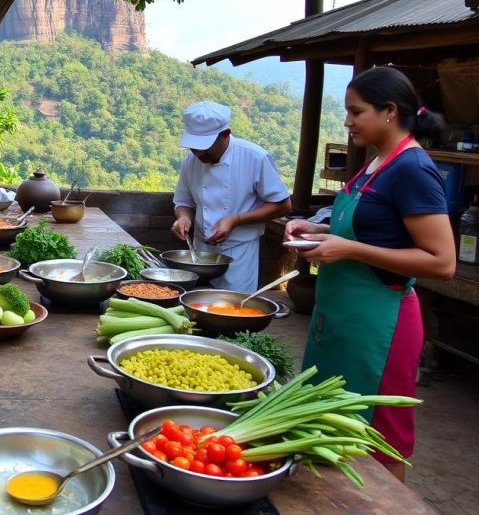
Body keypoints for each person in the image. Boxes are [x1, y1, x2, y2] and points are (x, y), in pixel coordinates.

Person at [286, 66, 456, 482]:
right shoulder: (375, 163)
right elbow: (370, 228)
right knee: (330, 426)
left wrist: (348, 249)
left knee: (379, 439)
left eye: (355, 111)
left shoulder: (413, 169)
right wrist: (317, 229)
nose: (347, 122)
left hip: (381, 323)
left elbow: (442, 262)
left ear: (389, 112)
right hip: (341, 318)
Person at [172, 101, 291, 293]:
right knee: (197, 307)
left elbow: (283, 205)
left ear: (226, 134)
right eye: (193, 147)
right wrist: (184, 217)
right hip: (200, 252)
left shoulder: (255, 157)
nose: (198, 153)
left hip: (239, 254)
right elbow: (183, 201)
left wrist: (235, 220)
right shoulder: (191, 160)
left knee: (234, 309)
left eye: (204, 147)